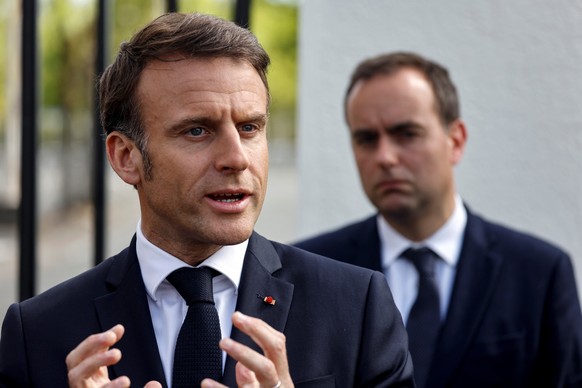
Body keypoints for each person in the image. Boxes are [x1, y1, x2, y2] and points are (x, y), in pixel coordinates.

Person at [0, 14, 414, 388]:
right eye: (197, 131)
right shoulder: (38, 332)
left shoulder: (356, 307)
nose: (236, 158)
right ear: (126, 157)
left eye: (250, 127)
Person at [294, 52, 582, 388]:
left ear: (455, 141)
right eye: (366, 139)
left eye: (407, 134)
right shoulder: (312, 271)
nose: (385, 157)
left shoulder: (538, 272)